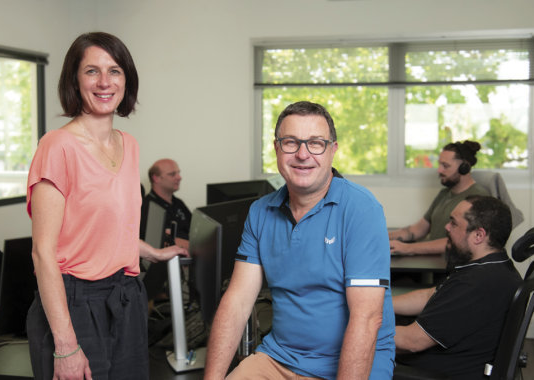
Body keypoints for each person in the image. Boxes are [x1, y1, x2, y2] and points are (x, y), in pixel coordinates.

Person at [25, 32, 187, 380]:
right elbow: (42, 253)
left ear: (127, 80)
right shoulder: (57, 146)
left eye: (114, 71)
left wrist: (153, 253)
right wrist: (66, 345)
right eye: (91, 71)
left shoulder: (129, 144)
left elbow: (109, 229)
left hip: (126, 295)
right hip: (73, 303)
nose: (104, 82)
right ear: (74, 79)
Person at [204, 101, 395, 380]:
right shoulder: (260, 211)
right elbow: (236, 303)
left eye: (316, 143)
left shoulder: (361, 209)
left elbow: (367, 320)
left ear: (333, 150)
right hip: (278, 358)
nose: (303, 154)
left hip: (348, 362)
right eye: (291, 142)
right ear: (277, 149)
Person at [393, 195, 521, 380]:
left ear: (478, 235)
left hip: (432, 373)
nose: (446, 227)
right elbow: (429, 296)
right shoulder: (496, 266)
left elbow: (411, 341)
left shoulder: (474, 284)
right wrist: (378, 303)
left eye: (453, 223)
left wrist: (355, 326)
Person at [389, 140, 489, 255]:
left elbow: (460, 241)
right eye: (440, 164)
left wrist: (407, 248)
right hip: (433, 263)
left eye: (445, 166)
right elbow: (418, 229)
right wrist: (381, 237)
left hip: (450, 268)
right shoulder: (444, 193)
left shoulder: (477, 198)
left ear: (464, 167)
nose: (439, 170)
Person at [139, 159, 192, 304]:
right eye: (172, 174)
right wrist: (202, 247)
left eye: (178, 173)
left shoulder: (178, 203)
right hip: (160, 278)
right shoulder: (147, 208)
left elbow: (195, 230)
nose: (179, 177)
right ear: (156, 178)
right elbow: (166, 242)